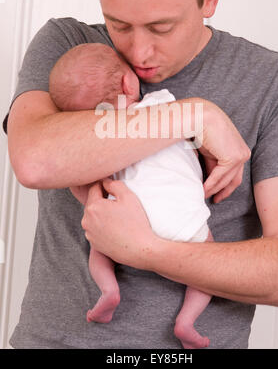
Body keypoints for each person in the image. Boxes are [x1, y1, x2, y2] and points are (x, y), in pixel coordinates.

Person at [4, 0, 278, 349]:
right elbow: (34, 159)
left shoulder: (277, 82)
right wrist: (192, 114)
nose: (138, 53)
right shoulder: (70, 46)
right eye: (118, 24)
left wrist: (148, 250)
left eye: (161, 28)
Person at [49, 42, 213, 349]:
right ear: (129, 82)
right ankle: (186, 321)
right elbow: (197, 127)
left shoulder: (101, 135)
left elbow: (83, 176)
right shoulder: (162, 103)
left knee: (98, 242)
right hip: (182, 219)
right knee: (208, 258)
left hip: (124, 220)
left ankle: (109, 290)